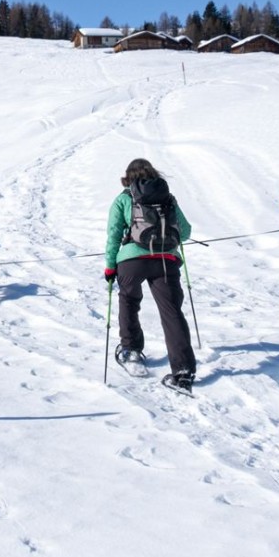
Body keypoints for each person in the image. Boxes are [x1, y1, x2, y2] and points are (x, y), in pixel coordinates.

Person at [104, 158, 196, 390]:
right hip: (166, 261)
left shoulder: (124, 199)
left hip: (132, 261)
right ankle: (183, 371)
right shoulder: (167, 198)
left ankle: (131, 350)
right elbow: (185, 232)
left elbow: (114, 234)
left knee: (129, 300)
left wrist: (110, 266)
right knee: (171, 311)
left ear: (128, 177)